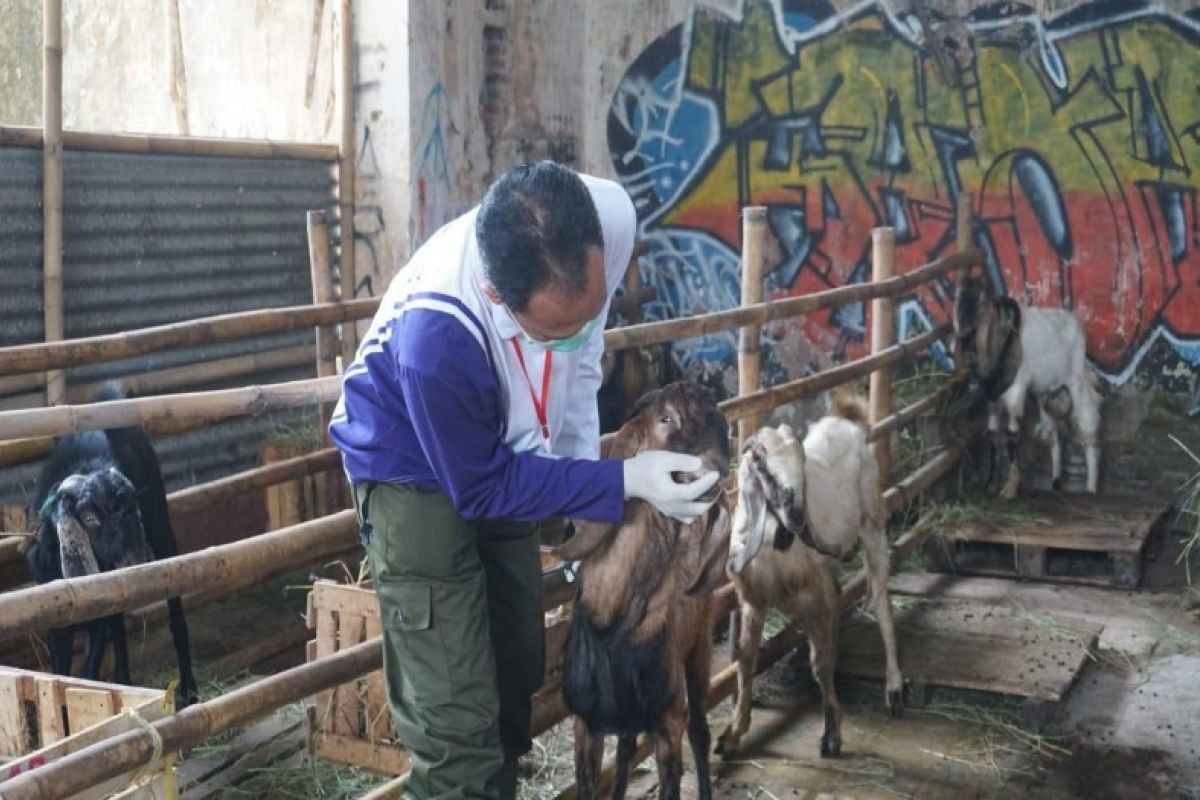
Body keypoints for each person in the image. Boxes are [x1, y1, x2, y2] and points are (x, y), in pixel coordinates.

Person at [329, 161, 719, 800]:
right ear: (499, 299)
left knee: (515, 667)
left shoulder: (610, 217)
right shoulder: (438, 342)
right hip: (413, 468)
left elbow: (583, 354)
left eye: (590, 310)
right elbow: (480, 487)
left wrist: (587, 484)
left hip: (506, 443)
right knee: (458, 723)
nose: (574, 337)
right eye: (551, 332)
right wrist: (620, 481)